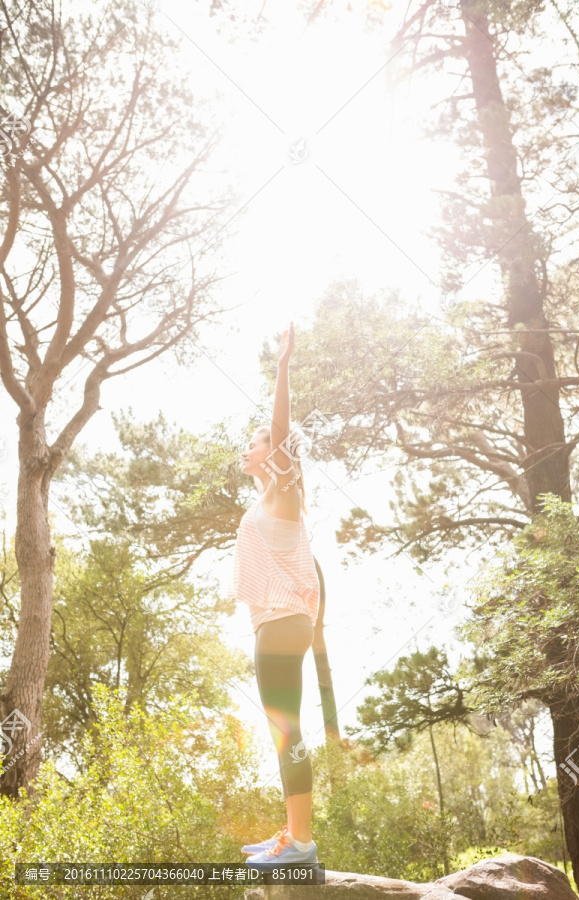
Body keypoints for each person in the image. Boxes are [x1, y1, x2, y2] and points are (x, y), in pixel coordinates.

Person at [229, 321, 320, 867]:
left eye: (256, 440)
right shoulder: (269, 499)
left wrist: (283, 366)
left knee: (287, 731)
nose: (249, 446)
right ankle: (294, 834)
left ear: (276, 452)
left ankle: (302, 845)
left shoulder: (285, 491)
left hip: (283, 623)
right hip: (280, 624)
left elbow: (281, 429)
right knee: (284, 730)